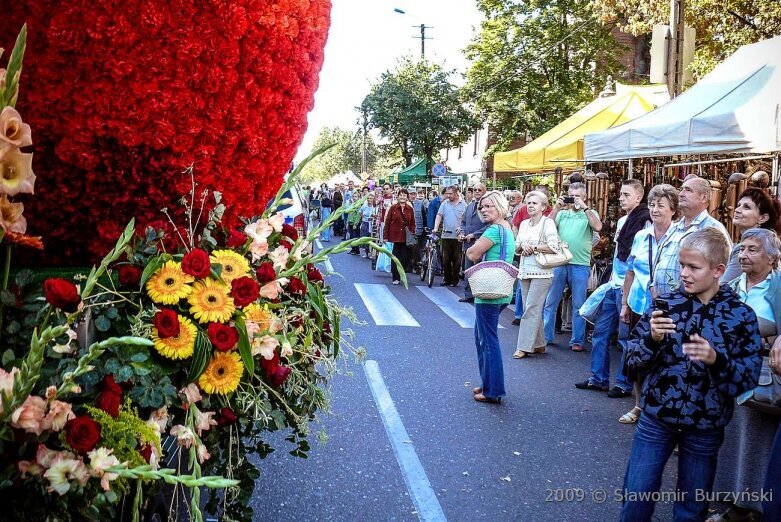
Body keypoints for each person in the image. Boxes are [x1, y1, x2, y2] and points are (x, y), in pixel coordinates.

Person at [620, 228, 763, 522]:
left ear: (718, 270)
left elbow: (746, 380)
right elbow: (631, 361)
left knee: (692, 507)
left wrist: (715, 360)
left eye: (693, 267)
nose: (684, 273)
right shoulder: (667, 304)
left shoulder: (741, 315)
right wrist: (652, 341)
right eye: (682, 265)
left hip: (705, 426)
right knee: (636, 495)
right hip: (656, 419)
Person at [708, 228, 781, 522]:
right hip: (728, 372)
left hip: (763, 376)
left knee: (756, 441)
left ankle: (753, 506)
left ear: (772, 258)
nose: (744, 255)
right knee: (730, 439)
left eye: (753, 250)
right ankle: (733, 501)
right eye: (742, 249)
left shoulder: (778, 287)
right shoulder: (733, 286)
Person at [575, 179, 649, 394]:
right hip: (614, 284)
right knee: (601, 332)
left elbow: (637, 259)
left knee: (626, 338)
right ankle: (598, 377)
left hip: (629, 286)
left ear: (638, 197)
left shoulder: (645, 221)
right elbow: (619, 254)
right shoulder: (624, 220)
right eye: (621, 194)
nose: (621, 198)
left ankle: (623, 383)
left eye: (626, 195)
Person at [618, 184, 679, 424]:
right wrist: (624, 304)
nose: (654, 209)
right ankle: (638, 406)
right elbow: (630, 272)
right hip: (637, 304)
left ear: (673, 209)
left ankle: (662, 411)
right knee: (637, 357)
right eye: (652, 204)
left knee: (664, 360)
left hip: (665, 309)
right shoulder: (641, 236)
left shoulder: (680, 237)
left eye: (660, 205)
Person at [465, 191, 516, 404]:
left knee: (487, 341)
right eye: (482, 207)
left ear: (500, 207)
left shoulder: (494, 230)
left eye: (489, 206)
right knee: (483, 337)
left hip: (489, 291)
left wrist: (474, 245)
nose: (484, 210)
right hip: (502, 289)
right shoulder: (507, 229)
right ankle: (488, 383)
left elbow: (472, 254)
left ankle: (493, 389)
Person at [542, 182, 602, 351]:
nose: (573, 198)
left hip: (580, 265)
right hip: (559, 262)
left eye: (577, 195)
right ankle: (546, 337)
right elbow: (546, 227)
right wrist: (556, 207)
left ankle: (577, 340)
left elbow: (598, 227)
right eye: (571, 195)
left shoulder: (590, 213)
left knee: (579, 305)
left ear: (584, 197)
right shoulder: (562, 213)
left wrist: (584, 207)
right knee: (551, 302)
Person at [652, 176, 732, 297]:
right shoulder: (674, 228)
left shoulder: (713, 228)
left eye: (688, 190)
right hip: (664, 302)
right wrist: (653, 286)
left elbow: (725, 269)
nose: (681, 194)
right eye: (681, 189)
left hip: (692, 306)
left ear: (703, 197)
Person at [512, 191, 561, 359]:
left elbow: (554, 246)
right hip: (525, 270)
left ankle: (523, 347)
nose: (531, 205)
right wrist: (522, 245)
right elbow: (516, 245)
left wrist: (532, 247)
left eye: (535, 203)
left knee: (531, 308)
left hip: (542, 271)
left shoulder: (548, 223)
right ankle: (540, 344)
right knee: (529, 308)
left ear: (543, 207)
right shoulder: (524, 223)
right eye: (529, 202)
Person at [721, 187, 781, 282]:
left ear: (763, 218)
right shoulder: (767, 241)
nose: (737, 210)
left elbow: (724, 285)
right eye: (738, 205)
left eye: (746, 207)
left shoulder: (748, 247)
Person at [434, 185, 467, 287]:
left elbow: (466, 220)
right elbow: (439, 215)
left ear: (456, 193)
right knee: (446, 259)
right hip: (446, 235)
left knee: (457, 260)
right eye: (447, 193)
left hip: (458, 236)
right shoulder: (444, 203)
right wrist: (436, 227)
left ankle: (454, 279)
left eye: (450, 194)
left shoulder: (464, 205)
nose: (448, 196)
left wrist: (462, 231)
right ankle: (446, 279)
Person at [460, 183, 488, 302]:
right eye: (474, 189)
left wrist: (474, 234)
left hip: (480, 243)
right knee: (468, 269)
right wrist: (461, 232)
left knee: (479, 270)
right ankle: (468, 294)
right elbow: (463, 222)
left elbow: (489, 225)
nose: (476, 191)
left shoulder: (486, 206)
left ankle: (478, 295)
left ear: (484, 191)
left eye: (479, 190)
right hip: (467, 243)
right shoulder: (470, 205)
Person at [383, 189, 415, 285]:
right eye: (401, 195)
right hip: (395, 236)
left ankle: (402, 273)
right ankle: (395, 277)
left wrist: (412, 233)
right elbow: (387, 222)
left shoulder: (410, 209)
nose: (402, 197)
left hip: (406, 237)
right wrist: (385, 236)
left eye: (404, 195)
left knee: (405, 257)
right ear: (398, 196)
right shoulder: (393, 208)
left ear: (407, 197)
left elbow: (413, 223)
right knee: (395, 257)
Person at [412, 189, 429, 267]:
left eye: (414, 194)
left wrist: (424, 228)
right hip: (407, 230)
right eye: (411, 194)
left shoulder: (420, 204)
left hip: (418, 229)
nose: (412, 196)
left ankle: (417, 265)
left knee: (417, 247)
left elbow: (424, 216)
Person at [359, 193, 376, 258]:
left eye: (370, 198)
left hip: (372, 224)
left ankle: (372, 253)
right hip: (365, 223)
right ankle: (366, 253)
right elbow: (360, 212)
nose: (369, 200)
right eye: (368, 198)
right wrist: (363, 217)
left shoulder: (374, 206)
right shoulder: (364, 205)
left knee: (371, 238)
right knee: (365, 238)